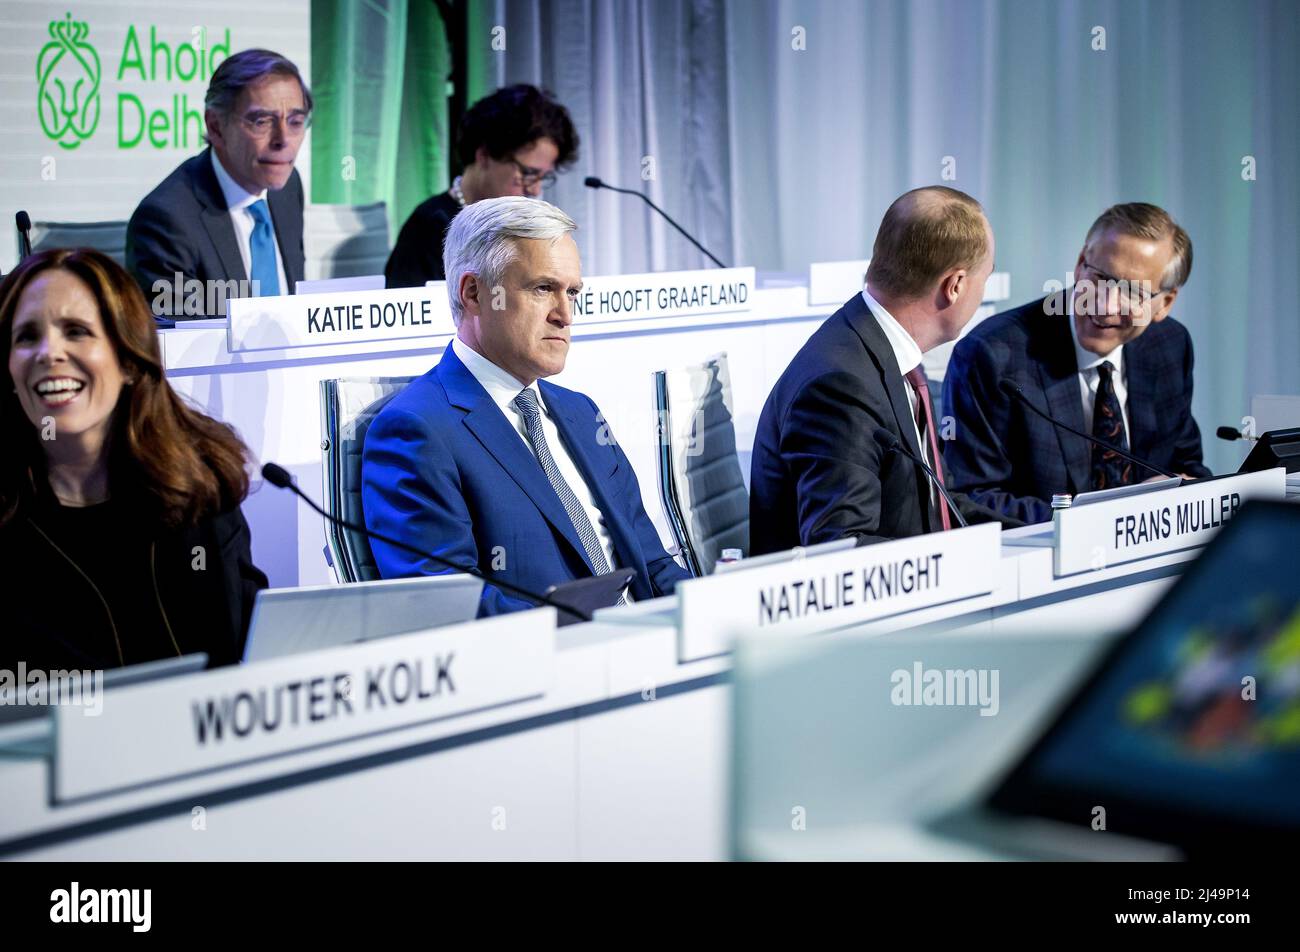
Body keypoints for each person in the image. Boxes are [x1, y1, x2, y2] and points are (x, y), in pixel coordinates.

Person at [363, 197, 689, 615]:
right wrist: (596, 636)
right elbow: (445, 602)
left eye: (572, 292)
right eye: (542, 289)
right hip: (549, 664)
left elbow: (652, 563)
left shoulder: (580, 411)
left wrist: (714, 611)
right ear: (473, 292)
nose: (565, 315)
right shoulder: (416, 429)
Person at [0, 248, 268, 671]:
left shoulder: (201, 489)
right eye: (27, 337)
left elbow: (250, 651)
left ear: (128, 360)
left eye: (76, 331)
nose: (48, 353)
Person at [749, 186, 1016, 556]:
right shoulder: (841, 386)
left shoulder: (887, 353)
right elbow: (841, 548)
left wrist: (1048, 534)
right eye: (984, 278)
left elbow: (939, 504)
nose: (982, 290)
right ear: (954, 286)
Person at [942, 202, 1212, 525]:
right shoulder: (993, 355)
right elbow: (971, 498)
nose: (1106, 305)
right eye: (1101, 278)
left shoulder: (1170, 346)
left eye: (1133, 293)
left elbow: (1187, 469)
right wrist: (1099, 520)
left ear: (1164, 303)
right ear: (1081, 263)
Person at [125, 49, 310, 319]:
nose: (283, 139)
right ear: (216, 127)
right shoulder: (165, 222)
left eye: (295, 121)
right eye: (262, 121)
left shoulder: (287, 186)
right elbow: (184, 352)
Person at [384, 85, 579, 289]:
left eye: (543, 177)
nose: (535, 190)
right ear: (484, 155)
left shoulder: (523, 229)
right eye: (528, 174)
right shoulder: (430, 226)